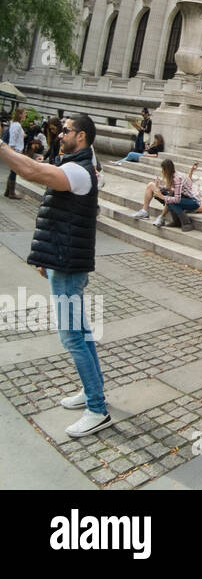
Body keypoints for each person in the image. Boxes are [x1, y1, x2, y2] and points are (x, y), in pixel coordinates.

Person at [0, 113, 112, 436]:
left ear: (82, 138)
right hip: (62, 261)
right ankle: (92, 392)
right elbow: (59, 215)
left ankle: (97, 408)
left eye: (66, 130)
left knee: (72, 336)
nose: (60, 133)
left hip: (67, 265)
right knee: (82, 332)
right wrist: (45, 258)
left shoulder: (77, 171)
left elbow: (30, 171)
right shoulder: (75, 166)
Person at [4, 113, 24, 198]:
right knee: (14, 170)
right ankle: (11, 193)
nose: (25, 115)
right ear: (20, 115)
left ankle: (8, 191)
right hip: (16, 150)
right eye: (24, 113)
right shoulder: (17, 125)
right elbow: (13, 137)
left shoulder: (16, 124)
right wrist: (12, 150)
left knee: (13, 170)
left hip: (15, 149)